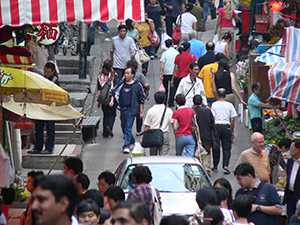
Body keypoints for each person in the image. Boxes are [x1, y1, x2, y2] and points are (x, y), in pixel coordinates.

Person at [110, 66, 146, 154]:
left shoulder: (137, 85)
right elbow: (114, 92)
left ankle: (126, 145)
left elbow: (142, 98)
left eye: (128, 73)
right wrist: (112, 101)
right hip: (122, 109)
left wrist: (141, 111)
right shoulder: (121, 84)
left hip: (132, 109)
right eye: (125, 73)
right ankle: (133, 141)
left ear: (133, 75)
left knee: (128, 127)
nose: (126, 75)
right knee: (124, 126)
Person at [28, 62, 60, 154]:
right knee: (38, 128)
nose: (46, 74)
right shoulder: (42, 78)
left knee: (50, 129)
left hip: (50, 108)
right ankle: (38, 147)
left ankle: (49, 148)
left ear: (53, 71)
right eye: (45, 71)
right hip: (41, 107)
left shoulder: (55, 81)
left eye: (49, 72)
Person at [211, 88, 237, 174]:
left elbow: (213, 117)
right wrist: (232, 130)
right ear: (225, 95)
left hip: (217, 126)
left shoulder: (214, 104)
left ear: (217, 95)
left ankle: (215, 165)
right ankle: (225, 166)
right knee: (226, 148)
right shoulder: (229, 105)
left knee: (216, 147)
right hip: (226, 126)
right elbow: (232, 119)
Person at [125, 59, 150, 136]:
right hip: (138, 98)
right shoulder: (139, 75)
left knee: (128, 115)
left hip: (128, 97)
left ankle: (127, 130)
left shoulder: (126, 75)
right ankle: (138, 131)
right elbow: (146, 85)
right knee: (139, 114)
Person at [170, 42, 197, 107]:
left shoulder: (178, 56)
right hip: (188, 76)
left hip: (178, 76)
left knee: (177, 91)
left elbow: (175, 69)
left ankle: (174, 102)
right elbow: (196, 64)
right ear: (189, 48)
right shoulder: (192, 56)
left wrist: (172, 79)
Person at [193, 95, 214, 174]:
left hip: (196, 137)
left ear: (193, 103)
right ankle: (206, 169)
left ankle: (198, 170)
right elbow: (212, 122)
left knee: (197, 154)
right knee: (207, 153)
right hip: (207, 136)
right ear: (201, 102)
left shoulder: (193, 112)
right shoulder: (207, 111)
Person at [97, 59, 117, 138]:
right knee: (112, 114)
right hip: (110, 97)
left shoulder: (100, 76)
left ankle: (105, 132)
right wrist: (112, 100)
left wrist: (99, 101)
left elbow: (99, 89)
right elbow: (113, 89)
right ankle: (110, 127)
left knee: (105, 115)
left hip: (103, 98)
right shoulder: (113, 75)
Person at [160, 39, 179, 107]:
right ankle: (171, 101)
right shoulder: (176, 52)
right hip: (174, 72)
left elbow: (163, 63)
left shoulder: (165, 53)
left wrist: (161, 72)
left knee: (165, 87)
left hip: (166, 72)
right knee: (173, 87)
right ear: (172, 44)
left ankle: (164, 101)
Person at [285, 139, 300, 221]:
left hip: (299, 197)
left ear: (298, 150)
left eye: (291, 148)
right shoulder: (290, 161)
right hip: (290, 195)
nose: (289, 150)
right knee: (290, 218)